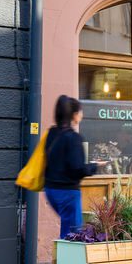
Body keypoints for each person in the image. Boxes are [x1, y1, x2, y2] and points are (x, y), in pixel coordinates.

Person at [44, 96, 106, 238]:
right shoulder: (74, 138)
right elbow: (77, 170)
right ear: (74, 115)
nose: (82, 115)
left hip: (51, 190)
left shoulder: (51, 134)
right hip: (67, 193)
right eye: (80, 112)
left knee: (67, 231)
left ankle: (62, 258)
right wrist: (95, 166)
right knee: (73, 235)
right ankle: (66, 259)